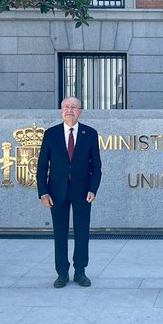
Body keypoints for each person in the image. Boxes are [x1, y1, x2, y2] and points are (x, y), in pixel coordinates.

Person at [36, 97, 102, 288]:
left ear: (80, 111)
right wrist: (43, 192)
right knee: (60, 233)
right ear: (60, 110)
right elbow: (41, 166)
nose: (69, 110)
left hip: (83, 192)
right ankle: (62, 273)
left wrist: (93, 188)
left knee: (82, 232)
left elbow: (96, 166)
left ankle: (80, 271)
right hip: (56, 192)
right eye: (66, 107)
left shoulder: (89, 133)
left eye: (74, 107)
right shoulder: (51, 134)